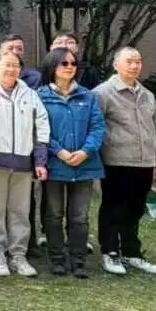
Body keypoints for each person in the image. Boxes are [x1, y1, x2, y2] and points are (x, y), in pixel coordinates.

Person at [0, 51, 50, 278]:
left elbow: (41, 127)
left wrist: (40, 160)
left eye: (15, 65)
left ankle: (18, 255)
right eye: (6, 65)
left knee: (20, 211)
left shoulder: (30, 95)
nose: (11, 69)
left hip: (23, 164)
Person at [93, 47, 156, 276]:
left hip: (144, 161)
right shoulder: (103, 93)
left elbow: (154, 128)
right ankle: (110, 252)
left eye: (138, 61)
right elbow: (95, 126)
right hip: (116, 161)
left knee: (136, 208)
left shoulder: (147, 95)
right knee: (113, 207)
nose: (134, 66)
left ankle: (132, 252)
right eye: (129, 61)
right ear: (116, 64)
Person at [38, 47, 105, 278]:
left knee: (80, 217)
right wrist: (59, 151)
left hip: (84, 165)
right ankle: (57, 259)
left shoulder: (88, 96)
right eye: (64, 63)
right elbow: (39, 129)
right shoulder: (40, 96)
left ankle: (78, 261)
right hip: (55, 164)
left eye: (73, 63)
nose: (69, 67)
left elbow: (98, 127)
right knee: (53, 214)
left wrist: (86, 151)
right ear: (52, 66)